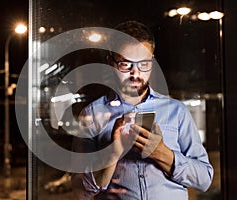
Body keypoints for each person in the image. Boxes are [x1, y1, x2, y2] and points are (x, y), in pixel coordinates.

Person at [70, 20, 214, 200]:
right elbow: (80, 193)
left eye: (144, 64)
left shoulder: (177, 111)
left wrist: (161, 153)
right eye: (125, 64)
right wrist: (112, 154)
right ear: (110, 62)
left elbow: (204, 179)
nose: (136, 73)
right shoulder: (92, 115)